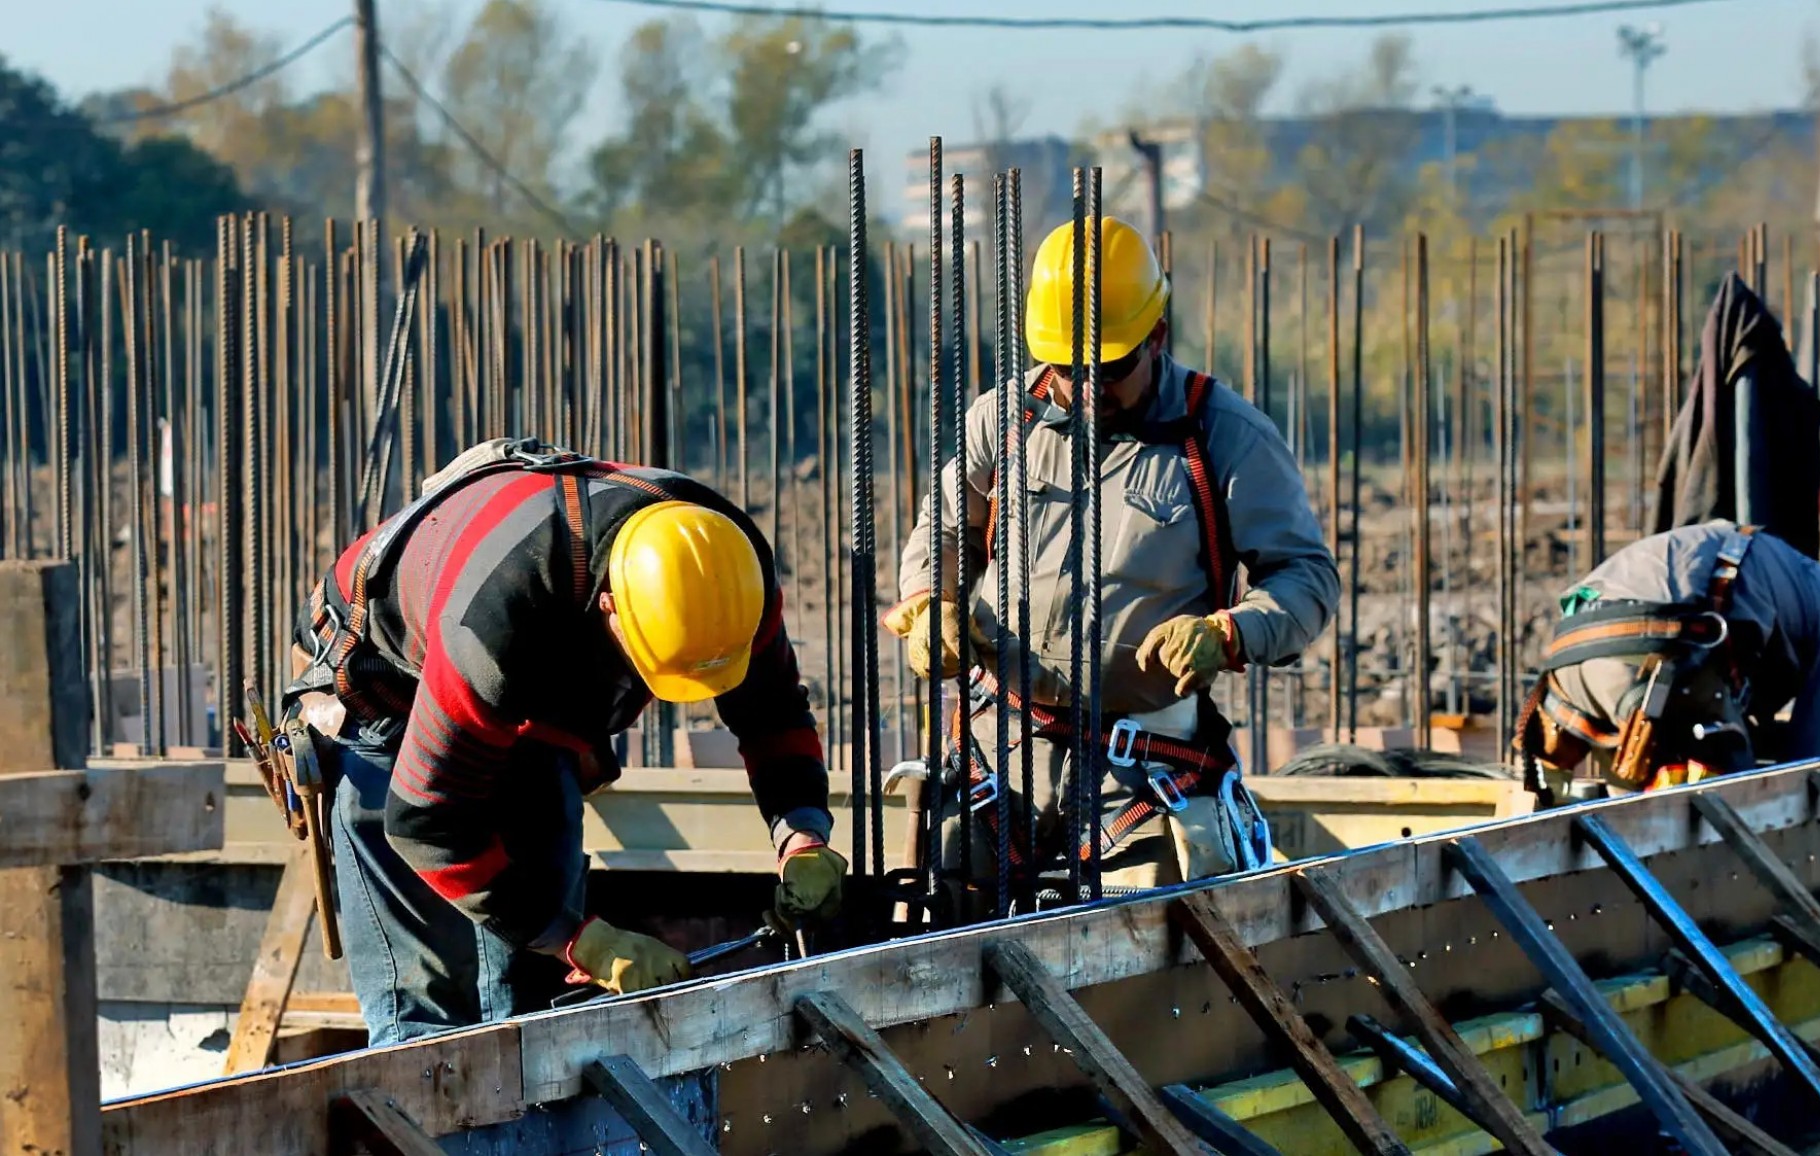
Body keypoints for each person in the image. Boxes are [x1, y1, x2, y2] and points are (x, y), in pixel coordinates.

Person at [283, 437, 845, 1045]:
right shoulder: (497, 620)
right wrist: (583, 941)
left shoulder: (728, 574)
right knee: (430, 1011)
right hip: (386, 691)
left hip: (527, 687)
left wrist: (802, 836)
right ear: (610, 607)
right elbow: (426, 821)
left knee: (535, 997)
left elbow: (774, 715)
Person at [886, 216, 1339, 910]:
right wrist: (928, 604)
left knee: (1142, 961)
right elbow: (942, 533)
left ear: (1157, 335)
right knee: (942, 937)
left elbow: (1306, 579)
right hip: (999, 757)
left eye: (1110, 368)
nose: (1085, 387)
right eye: (1068, 369)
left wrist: (1231, 631)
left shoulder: (1223, 436)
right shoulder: (1002, 420)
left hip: (1142, 770)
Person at [1519, 520, 1820, 793]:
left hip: (1572, 651)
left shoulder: (1819, 591)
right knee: (1742, 792)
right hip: (1658, 655)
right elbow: (1811, 765)